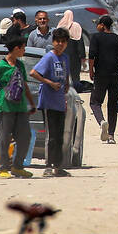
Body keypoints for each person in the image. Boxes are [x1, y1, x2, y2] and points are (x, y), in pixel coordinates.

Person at [0, 32, 36, 179]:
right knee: (4, 138)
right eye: (23, 48)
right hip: (6, 107)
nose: (24, 51)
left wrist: (31, 103)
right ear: (16, 48)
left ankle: (17, 167)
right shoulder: (1, 66)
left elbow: (25, 85)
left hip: (20, 107)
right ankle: (3, 168)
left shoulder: (20, 65)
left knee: (25, 136)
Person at [30, 28, 72, 177]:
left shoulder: (65, 58)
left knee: (60, 135)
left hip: (60, 101)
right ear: (53, 42)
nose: (60, 44)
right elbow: (33, 73)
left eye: (63, 42)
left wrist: (66, 84)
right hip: (48, 101)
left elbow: (65, 75)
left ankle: (58, 166)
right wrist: (50, 83)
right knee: (51, 136)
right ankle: (48, 166)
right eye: (57, 41)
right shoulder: (49, 57)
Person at [88, 15, 118, 145]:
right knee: (112, 105)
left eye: (98, 24)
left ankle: (101, 122)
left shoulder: (96, 37)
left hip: (100, 74)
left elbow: (91, 55)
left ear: (102, 25)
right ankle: (111, 135)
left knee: (95, 102)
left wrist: (91, 70)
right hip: (115, 75)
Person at [56, 11, 86, 86]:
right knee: (74, 75)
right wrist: (83, 56)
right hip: (74, 56)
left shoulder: (60, 26)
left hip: (62, 54)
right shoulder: (76, 26)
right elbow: (80, 42)